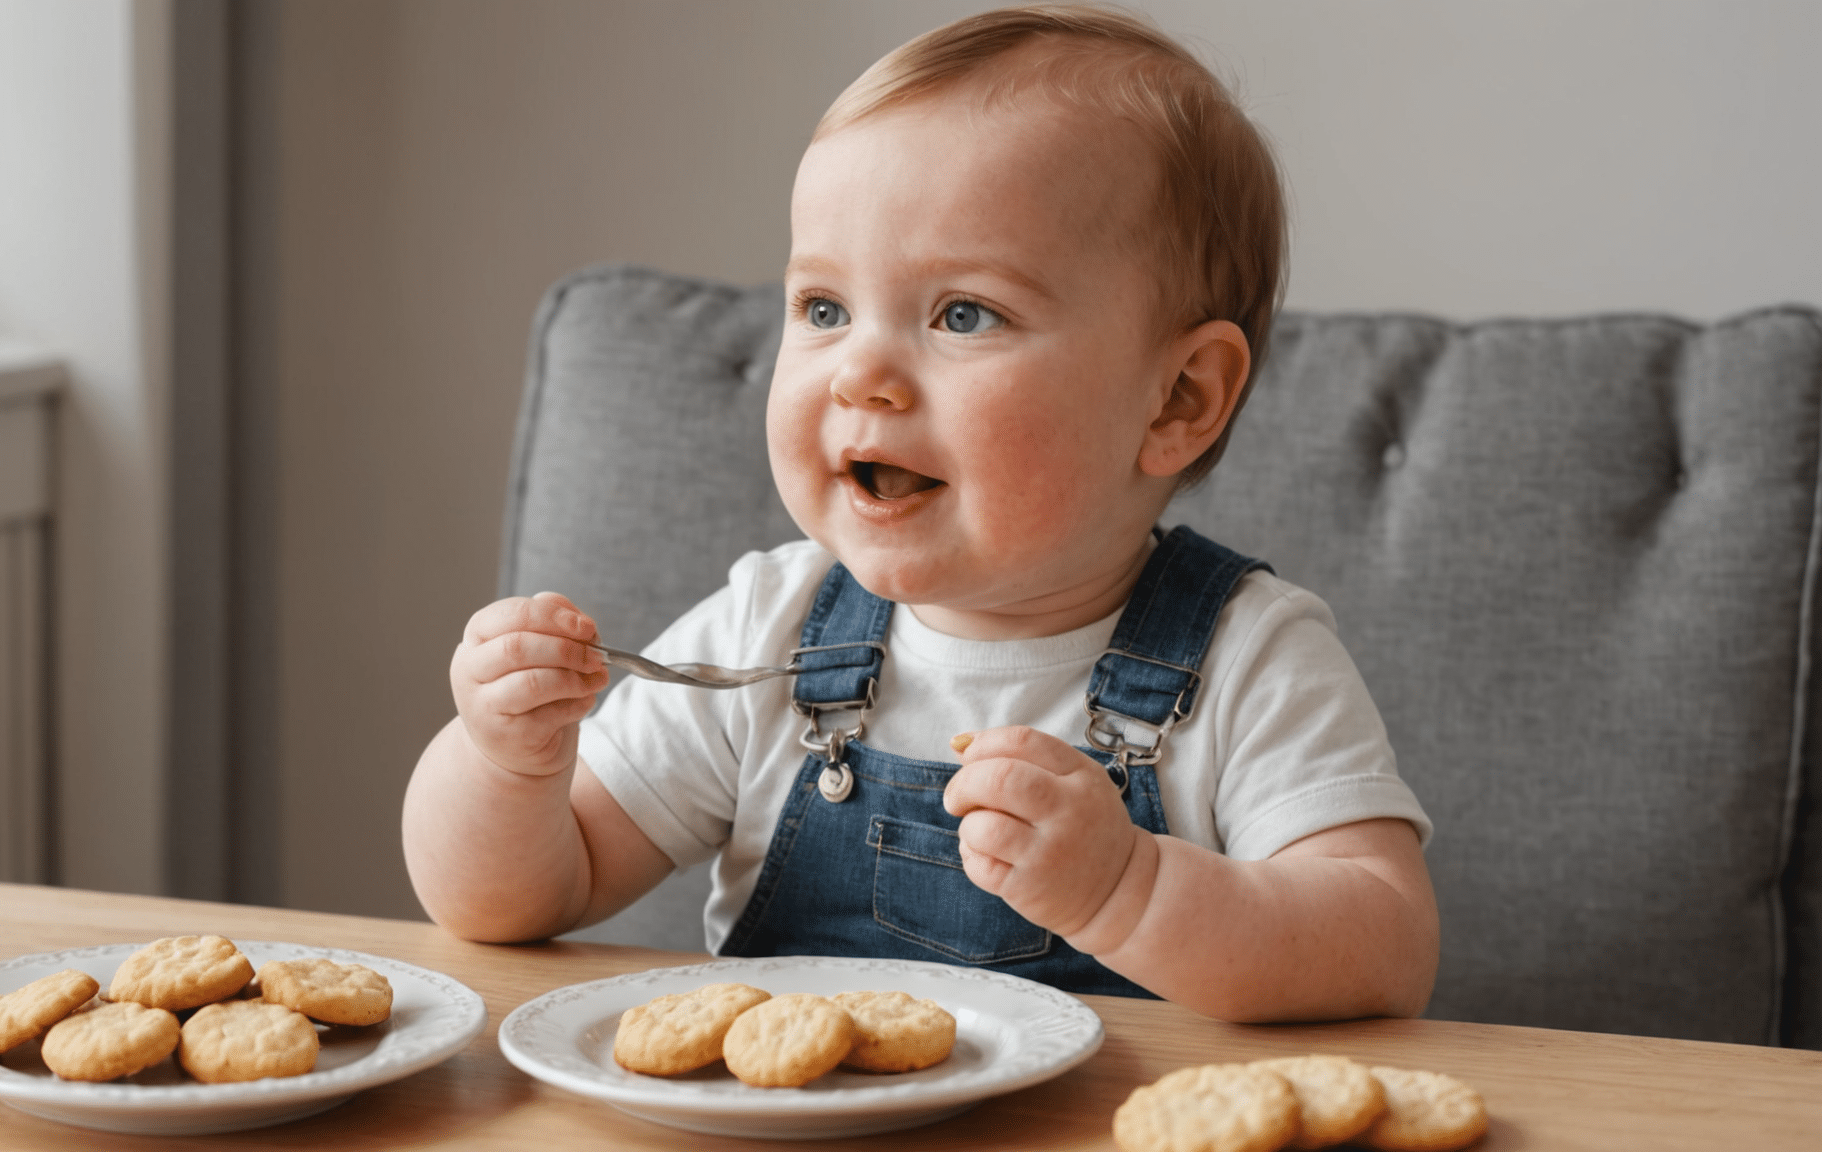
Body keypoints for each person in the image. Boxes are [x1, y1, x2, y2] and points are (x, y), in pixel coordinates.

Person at [403, 5, 1438, 1023]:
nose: (862, 373)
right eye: (823, 308)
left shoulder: (1248, 658)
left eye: (962, 313)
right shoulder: (772, 627)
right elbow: (517, 899)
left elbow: (1383, 945)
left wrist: (1131, 890)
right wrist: (504, 764)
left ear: (1176, 400)